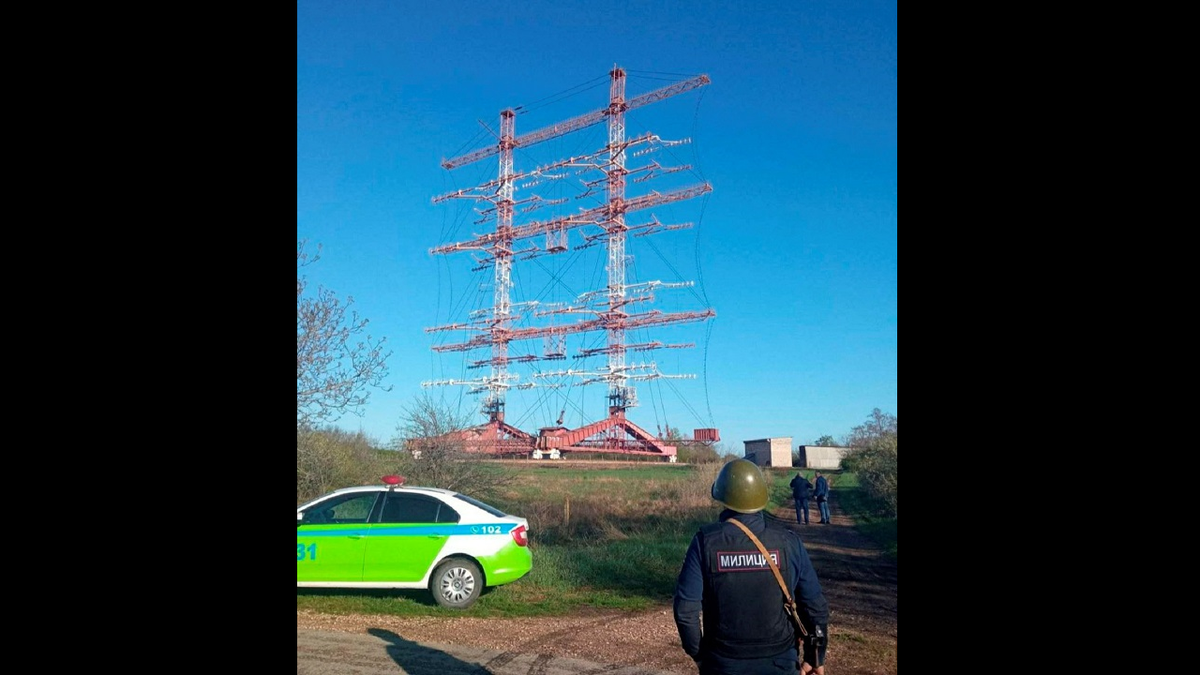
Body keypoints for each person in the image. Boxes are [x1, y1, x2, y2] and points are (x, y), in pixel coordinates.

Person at [673, 459, 830, 675]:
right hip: (780, 663)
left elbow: (685, 610)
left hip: (723, 664)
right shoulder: (789, 542)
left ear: (722, 497)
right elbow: (815, 605)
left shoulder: (704, 542)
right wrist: (815, 655)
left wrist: (699, 656)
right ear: (761, 498)